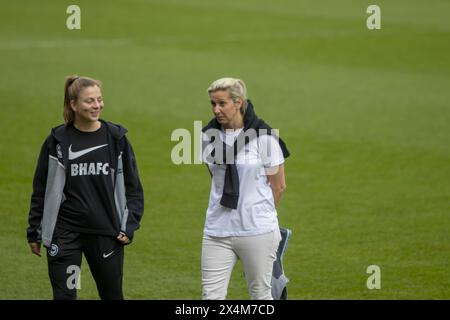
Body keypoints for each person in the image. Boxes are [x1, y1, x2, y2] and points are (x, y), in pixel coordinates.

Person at [26, 75, 144, 300]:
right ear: (73, 104)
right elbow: (42, 189)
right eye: (90, 101)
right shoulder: (58, 141)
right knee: (65, 296)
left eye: (99, 99)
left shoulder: (115, 138)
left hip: (105, 233)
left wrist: (129, 225)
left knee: (111, 296)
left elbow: (133, 187)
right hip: (66, 234)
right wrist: (35, 231)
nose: (97, 105)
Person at [200, 77, 289, 300]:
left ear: (238, 102)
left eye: (222, 103)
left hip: (256, 231)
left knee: (260, 296)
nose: (216, 110)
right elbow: (217, 179)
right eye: (213, 104)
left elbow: (278, 186)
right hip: (217, 230)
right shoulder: (207, 136)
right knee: (210, 297)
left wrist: (258, 214)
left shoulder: (264, 137)